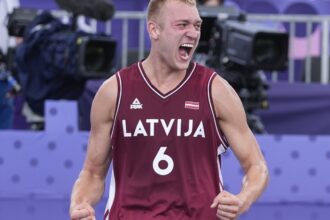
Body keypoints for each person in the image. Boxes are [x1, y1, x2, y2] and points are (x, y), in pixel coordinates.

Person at [70, 0, 269, 219]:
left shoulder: (216, 91)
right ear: (154, 29)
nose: (193, 33)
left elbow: (256, 166)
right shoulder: (114, 91)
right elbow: (92, 173)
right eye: (182, 25)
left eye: (197, 25)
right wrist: (80, 205)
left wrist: (243, 199)